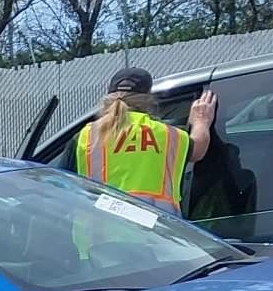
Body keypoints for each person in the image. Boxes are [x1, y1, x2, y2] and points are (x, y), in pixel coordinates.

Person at [71, 66, 217, 210]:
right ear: (149, 99)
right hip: (152, 231)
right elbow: (198, 149)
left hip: (99, 231)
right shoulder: (167, 134)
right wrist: (201, 121)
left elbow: (58, 181)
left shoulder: (85, 136)